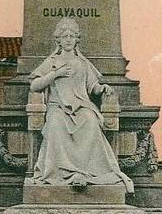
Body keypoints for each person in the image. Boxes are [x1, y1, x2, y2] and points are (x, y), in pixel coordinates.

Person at [29, 18, 134, 192]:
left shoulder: (83, 63)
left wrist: (102, 89)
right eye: (65, 36)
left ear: (76, 39)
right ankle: (61, 173)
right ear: (59, 40)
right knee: (55, 125)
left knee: (91, 122)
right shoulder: (53, 61)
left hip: (81, 106)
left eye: (72, 36)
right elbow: (35, 85)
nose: (69, 39)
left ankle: (85, 172)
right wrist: (55, 74)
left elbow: (92, 86)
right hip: (58, 108)